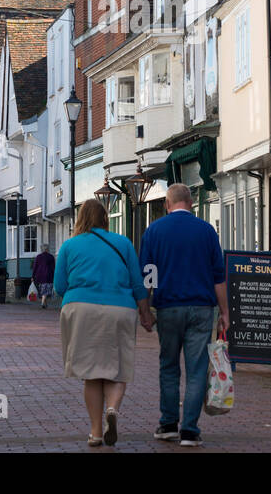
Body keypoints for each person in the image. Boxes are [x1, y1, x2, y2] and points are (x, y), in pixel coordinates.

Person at [53, 199, 154, 447]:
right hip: (120, 309)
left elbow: (59, 287)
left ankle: (96, 432)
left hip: (81, 310)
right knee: (116, 368)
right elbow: (138, 284)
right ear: (106, 219)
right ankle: (112, 410)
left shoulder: (69, 246)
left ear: (80, 219)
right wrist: (145, 313)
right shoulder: (123, 243)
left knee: (91, 373)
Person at [137, 182, 227, 448]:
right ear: (190, 203)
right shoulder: (207, 231)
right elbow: (218, 277)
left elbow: (148, 275)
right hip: (201, 308)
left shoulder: (154, 231)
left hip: (168, 308)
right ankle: (189, 430)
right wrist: (225, 312)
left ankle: (167, 424)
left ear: (167, 204)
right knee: (197, 369)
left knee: (169, 366)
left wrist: (146, 310)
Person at [32, 243, 56, 309]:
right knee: (46, 290)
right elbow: (54, 267)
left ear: (41, 249)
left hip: (39, 275)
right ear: (47, 249)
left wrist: (33, 276)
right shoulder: (51, 257)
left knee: (43, 290)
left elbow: (35, 267)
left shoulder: (38, 257)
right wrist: (55, 275)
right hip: (49, 275)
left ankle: (44, 303)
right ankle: (43, 303)